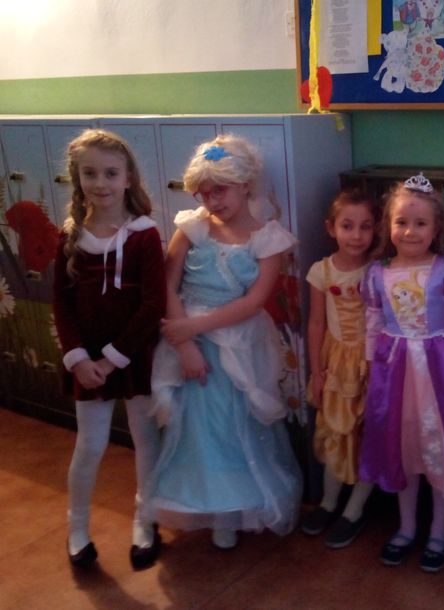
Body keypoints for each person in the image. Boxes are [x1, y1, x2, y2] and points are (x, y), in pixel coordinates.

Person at [145, 134, 302, 550]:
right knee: (197, 428)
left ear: (245, 184)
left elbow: (254, 302)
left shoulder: (268, 239)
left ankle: (232, 512)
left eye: (220, 190)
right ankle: (204, 504)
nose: (212, 200)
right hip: (189, 345)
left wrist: (194, 328)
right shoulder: (191, 228)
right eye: (204, 192)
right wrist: (185, 345)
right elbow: (168, 285)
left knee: (234, 425)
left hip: (239, 345)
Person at [52, 129, 166, 570]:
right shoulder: (69, 236)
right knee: (90, 444)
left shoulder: (144, 235)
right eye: (90, 173)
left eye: (111, 173)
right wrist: (80, 359)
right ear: (77, 178)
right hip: (87, 365)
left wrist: (113, 357)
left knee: (145, 438)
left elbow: (153, 304)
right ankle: (77, 528)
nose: (100, 183)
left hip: (134, 357)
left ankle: (145, 520)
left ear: (128, 178)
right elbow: (61, 304)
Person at [360, 173, 444, 572]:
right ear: (388, 225)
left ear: (437, 228)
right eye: (401, 222)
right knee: (403, 447)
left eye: (420, 223)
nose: (410, 231)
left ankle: (439, 531)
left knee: (438, 446)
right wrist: (371, 370)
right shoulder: (377, 273)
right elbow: (373, 324)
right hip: (394, 372)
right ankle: (407, 527)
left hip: (438, 371)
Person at [301, 189, 378, 548]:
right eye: (347, 226)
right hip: (336, 363)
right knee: (334, 430)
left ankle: (355, 509)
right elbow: (316, 323)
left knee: (368, 434)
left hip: (372, 362)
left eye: (366, 226)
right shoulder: (321, 271)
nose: (356, 235)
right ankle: (329, 502)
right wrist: (317, 371)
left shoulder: (378, 270)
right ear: (331, 228)